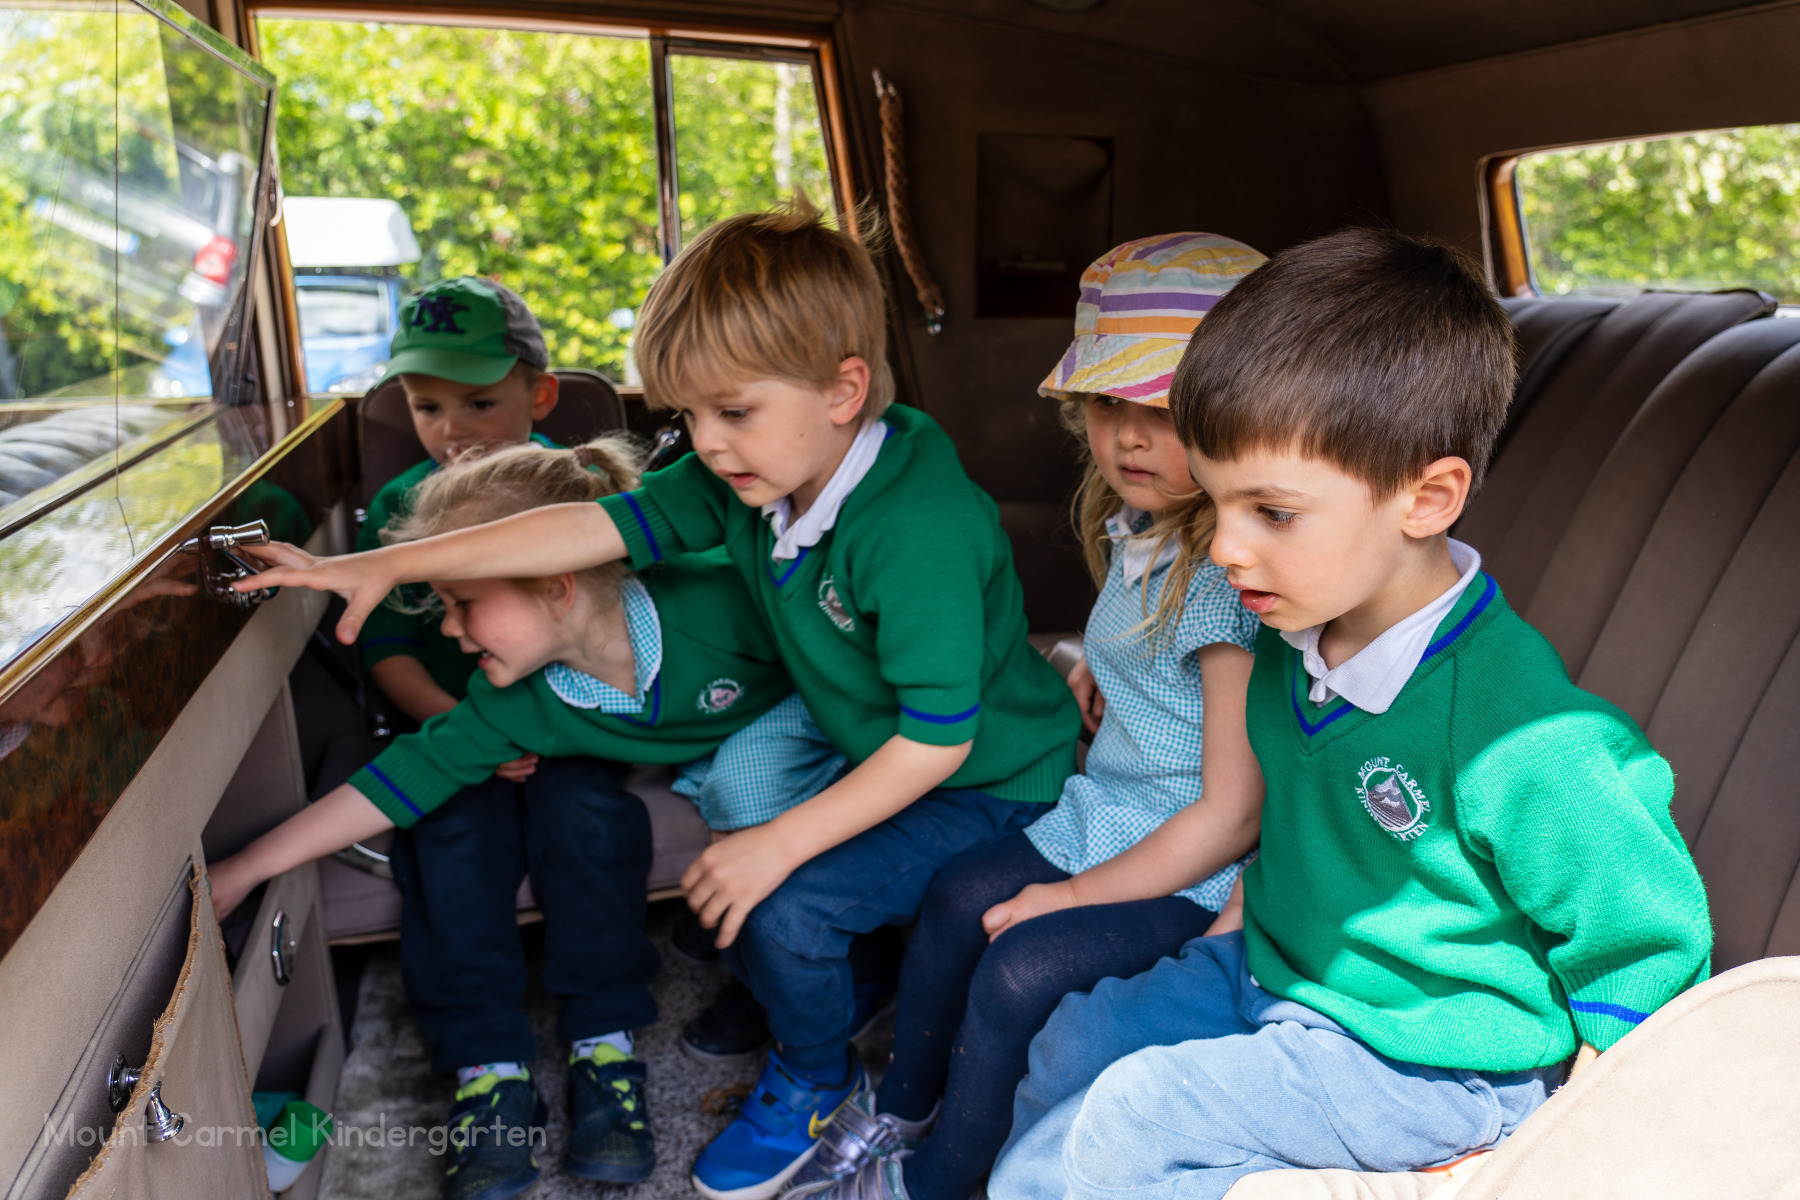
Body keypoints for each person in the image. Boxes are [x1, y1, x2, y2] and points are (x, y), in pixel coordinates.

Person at [238, 200, 1082, 1200]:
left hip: (989, 777)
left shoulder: (916, 526)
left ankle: (819, 1075)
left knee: (780, 902)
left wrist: (777, 843)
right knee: (757, 868)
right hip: (882, 748)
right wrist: (386, 564)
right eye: (689, 418)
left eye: (733, 413)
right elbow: (583, 531)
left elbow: (938, 744)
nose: (707, 445)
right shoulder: (752, 480)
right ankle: (817, 1002)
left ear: (844, 389)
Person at [985, 227, 1715, 1200]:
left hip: (1430, 1055)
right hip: (1283, 973)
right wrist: (1240, 921)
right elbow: (1300, 821)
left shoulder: (1524, 733)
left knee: (1134, 1117)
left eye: (1272, 514)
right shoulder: (1294, 638)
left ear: (1428, 498)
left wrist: (1573, 1135)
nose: (1225, 549)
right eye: (1217, 504)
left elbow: (1647, 941)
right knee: (1076, 1035)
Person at [209, 438, 824, 1200]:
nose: (448, 630)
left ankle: (631, 1041)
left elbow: (835, 656)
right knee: (459, 819)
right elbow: (399, 780)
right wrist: (246, 867)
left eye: (462, 603)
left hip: (804, 727)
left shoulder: (722, 599)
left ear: (558, 588)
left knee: (679, 806)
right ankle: (495, 1073)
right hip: (690, 746)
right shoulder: (516, 700)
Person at [788, 233, 1270, 1200]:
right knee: (956, 896)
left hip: (1201, 861)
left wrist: (1073, 898)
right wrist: (1091, 657)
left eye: (1163, 412)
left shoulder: (1230, 582)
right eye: (1108, 406)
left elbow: (1233, 814)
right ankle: (902, 1112)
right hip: (1110, 811)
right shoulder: (1140, 529)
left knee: (1019, 966)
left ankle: (937, 1181)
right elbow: (1150, 651)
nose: (1128, 438)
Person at [356, 275, 561, 740]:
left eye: (479, 404)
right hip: (452, 726)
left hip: (580, 722)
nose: (452, 430)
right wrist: (466, 730)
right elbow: (388, 648)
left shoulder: (578, 487)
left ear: (541, 396)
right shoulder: (397, 506)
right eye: (428, 408)